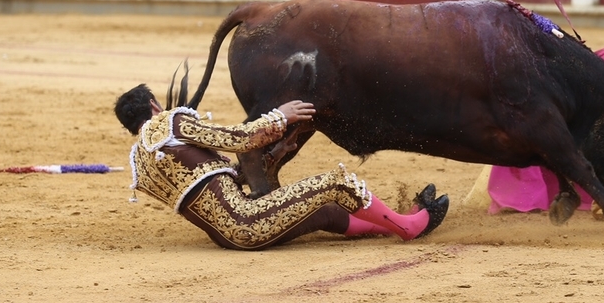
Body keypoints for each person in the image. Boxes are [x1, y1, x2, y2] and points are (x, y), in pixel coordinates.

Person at [114, 85, 449, 251]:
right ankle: (408, 227)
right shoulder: (167, 124)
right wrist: (279, 116)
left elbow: (214, 183)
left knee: (327, 212)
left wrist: (272, 155)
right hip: (248, 219)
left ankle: (391, 224)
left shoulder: (140, 162)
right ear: (155, 106)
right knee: (337, 183)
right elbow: (237, 137)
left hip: (230, 238)